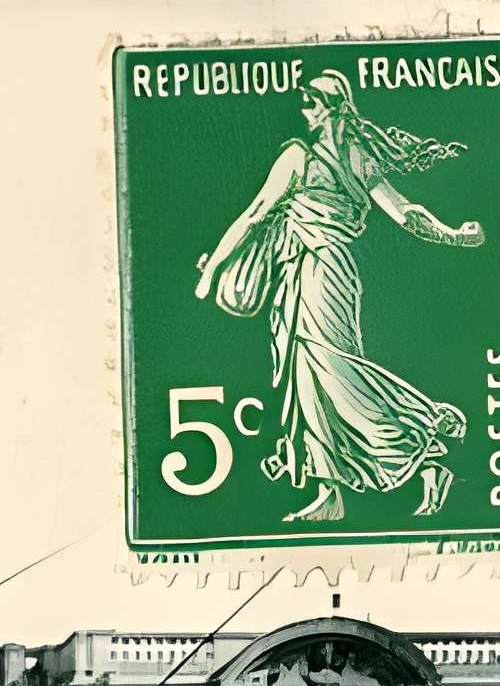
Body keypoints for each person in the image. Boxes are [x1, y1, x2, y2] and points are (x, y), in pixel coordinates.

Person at [194, 70, 484, 524]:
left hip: (318, 269)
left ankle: (421, 436)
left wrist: (212, 269)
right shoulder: (354, 157)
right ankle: (350, 487)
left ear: (329, 107)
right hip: (315, 270)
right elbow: (404, 213)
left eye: (310, 103)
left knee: (331, 371)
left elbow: (255, 215)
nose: (304, 111)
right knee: (312, 378)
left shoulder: (304, 157)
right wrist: (451, 235)